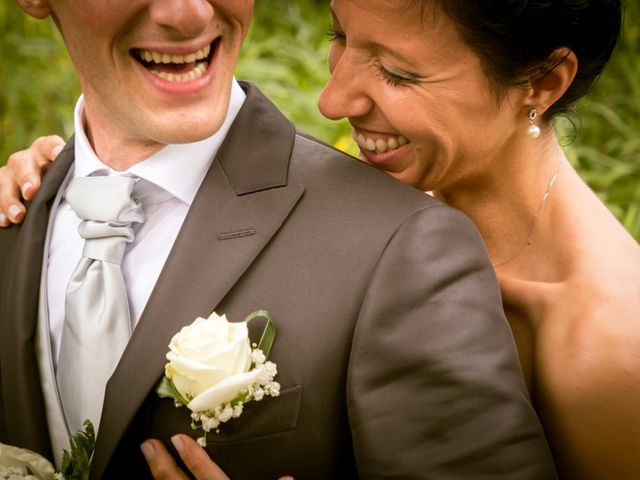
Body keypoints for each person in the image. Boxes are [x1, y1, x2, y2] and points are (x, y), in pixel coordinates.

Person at [4, 0, 639, 478]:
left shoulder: (611, 350)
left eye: (398, 73)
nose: (330, 100)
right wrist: (83, 189)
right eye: (340, 34)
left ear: (543, 84)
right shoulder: (44, 202)